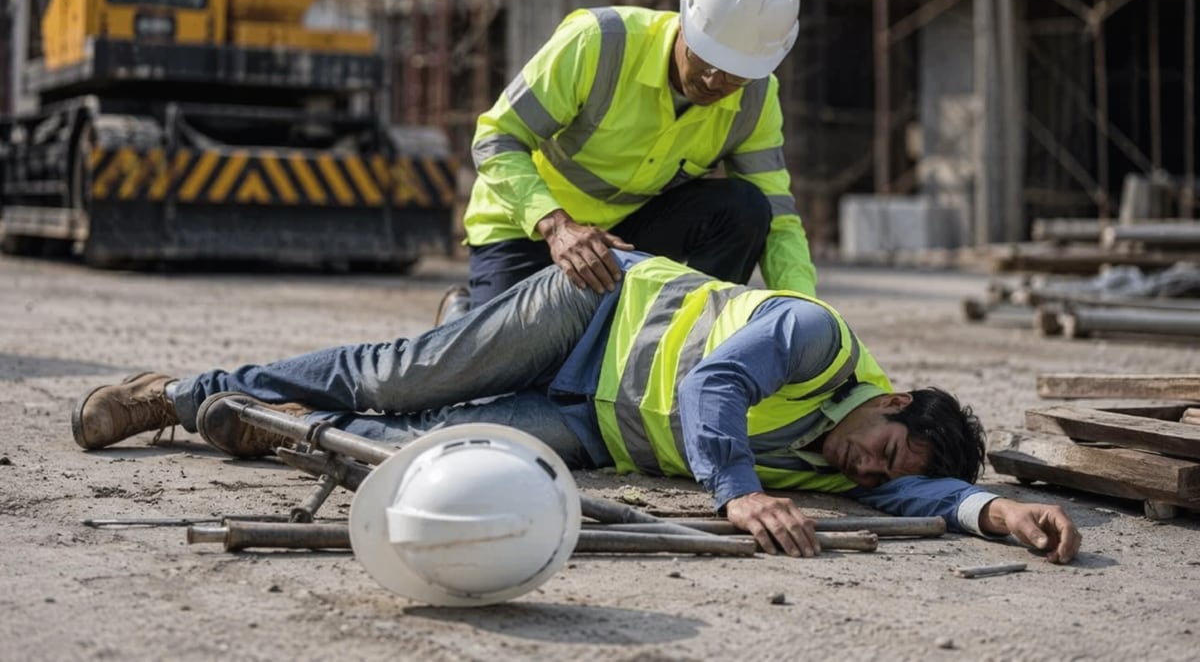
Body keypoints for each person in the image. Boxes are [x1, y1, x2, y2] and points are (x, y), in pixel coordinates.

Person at [72, 251, 1080, 563]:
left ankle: (260, 423)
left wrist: (997, 512)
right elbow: (711, 386)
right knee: (400, 376)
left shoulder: (857, 467)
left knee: (429, 452)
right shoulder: (816, 342)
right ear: (891, 399)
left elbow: (918, 501)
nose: (868, 472)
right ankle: (177, 393)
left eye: (884, 475)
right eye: (885, 447)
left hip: (597, 425)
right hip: (590, 315)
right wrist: (734, 495)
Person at [447, 0, 816, 322]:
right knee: (514, 370)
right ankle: (461, 318)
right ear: (686, 22)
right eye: (704, 58)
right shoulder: (600, 44)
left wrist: (809, 316)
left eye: (734, 74)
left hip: (624, 237)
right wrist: (557, 227)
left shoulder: (755, 100)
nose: (712, 81)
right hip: (527, 230)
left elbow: (779, 220)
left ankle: (690, 344)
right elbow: (497, 137)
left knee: (747, 208)